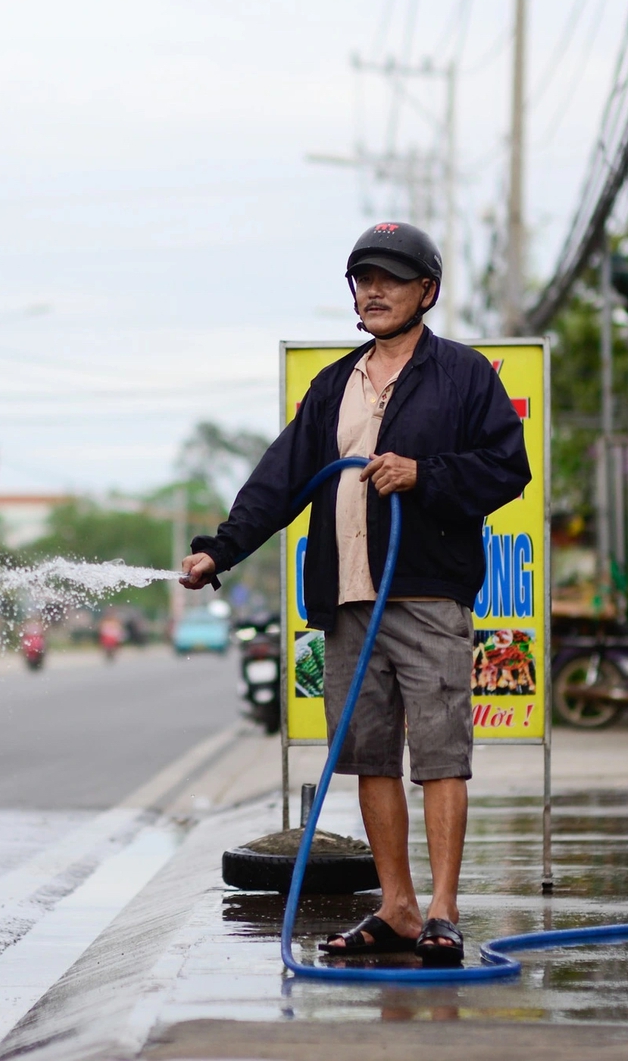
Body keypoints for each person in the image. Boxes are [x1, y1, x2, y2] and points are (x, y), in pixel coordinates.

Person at [180, 222, 530, 966]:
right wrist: (220, 548)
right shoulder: (334, 383)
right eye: (363, 277)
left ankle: (442, 909)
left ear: (426, 291)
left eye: (392, 278)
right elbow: (280, 479)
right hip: (346, 601)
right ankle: (397, 907)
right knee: (370, 757)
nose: (373, 290)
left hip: (426, 597)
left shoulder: (465, 376)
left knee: (439, 757)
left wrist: (425, 475)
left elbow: (508, 470)